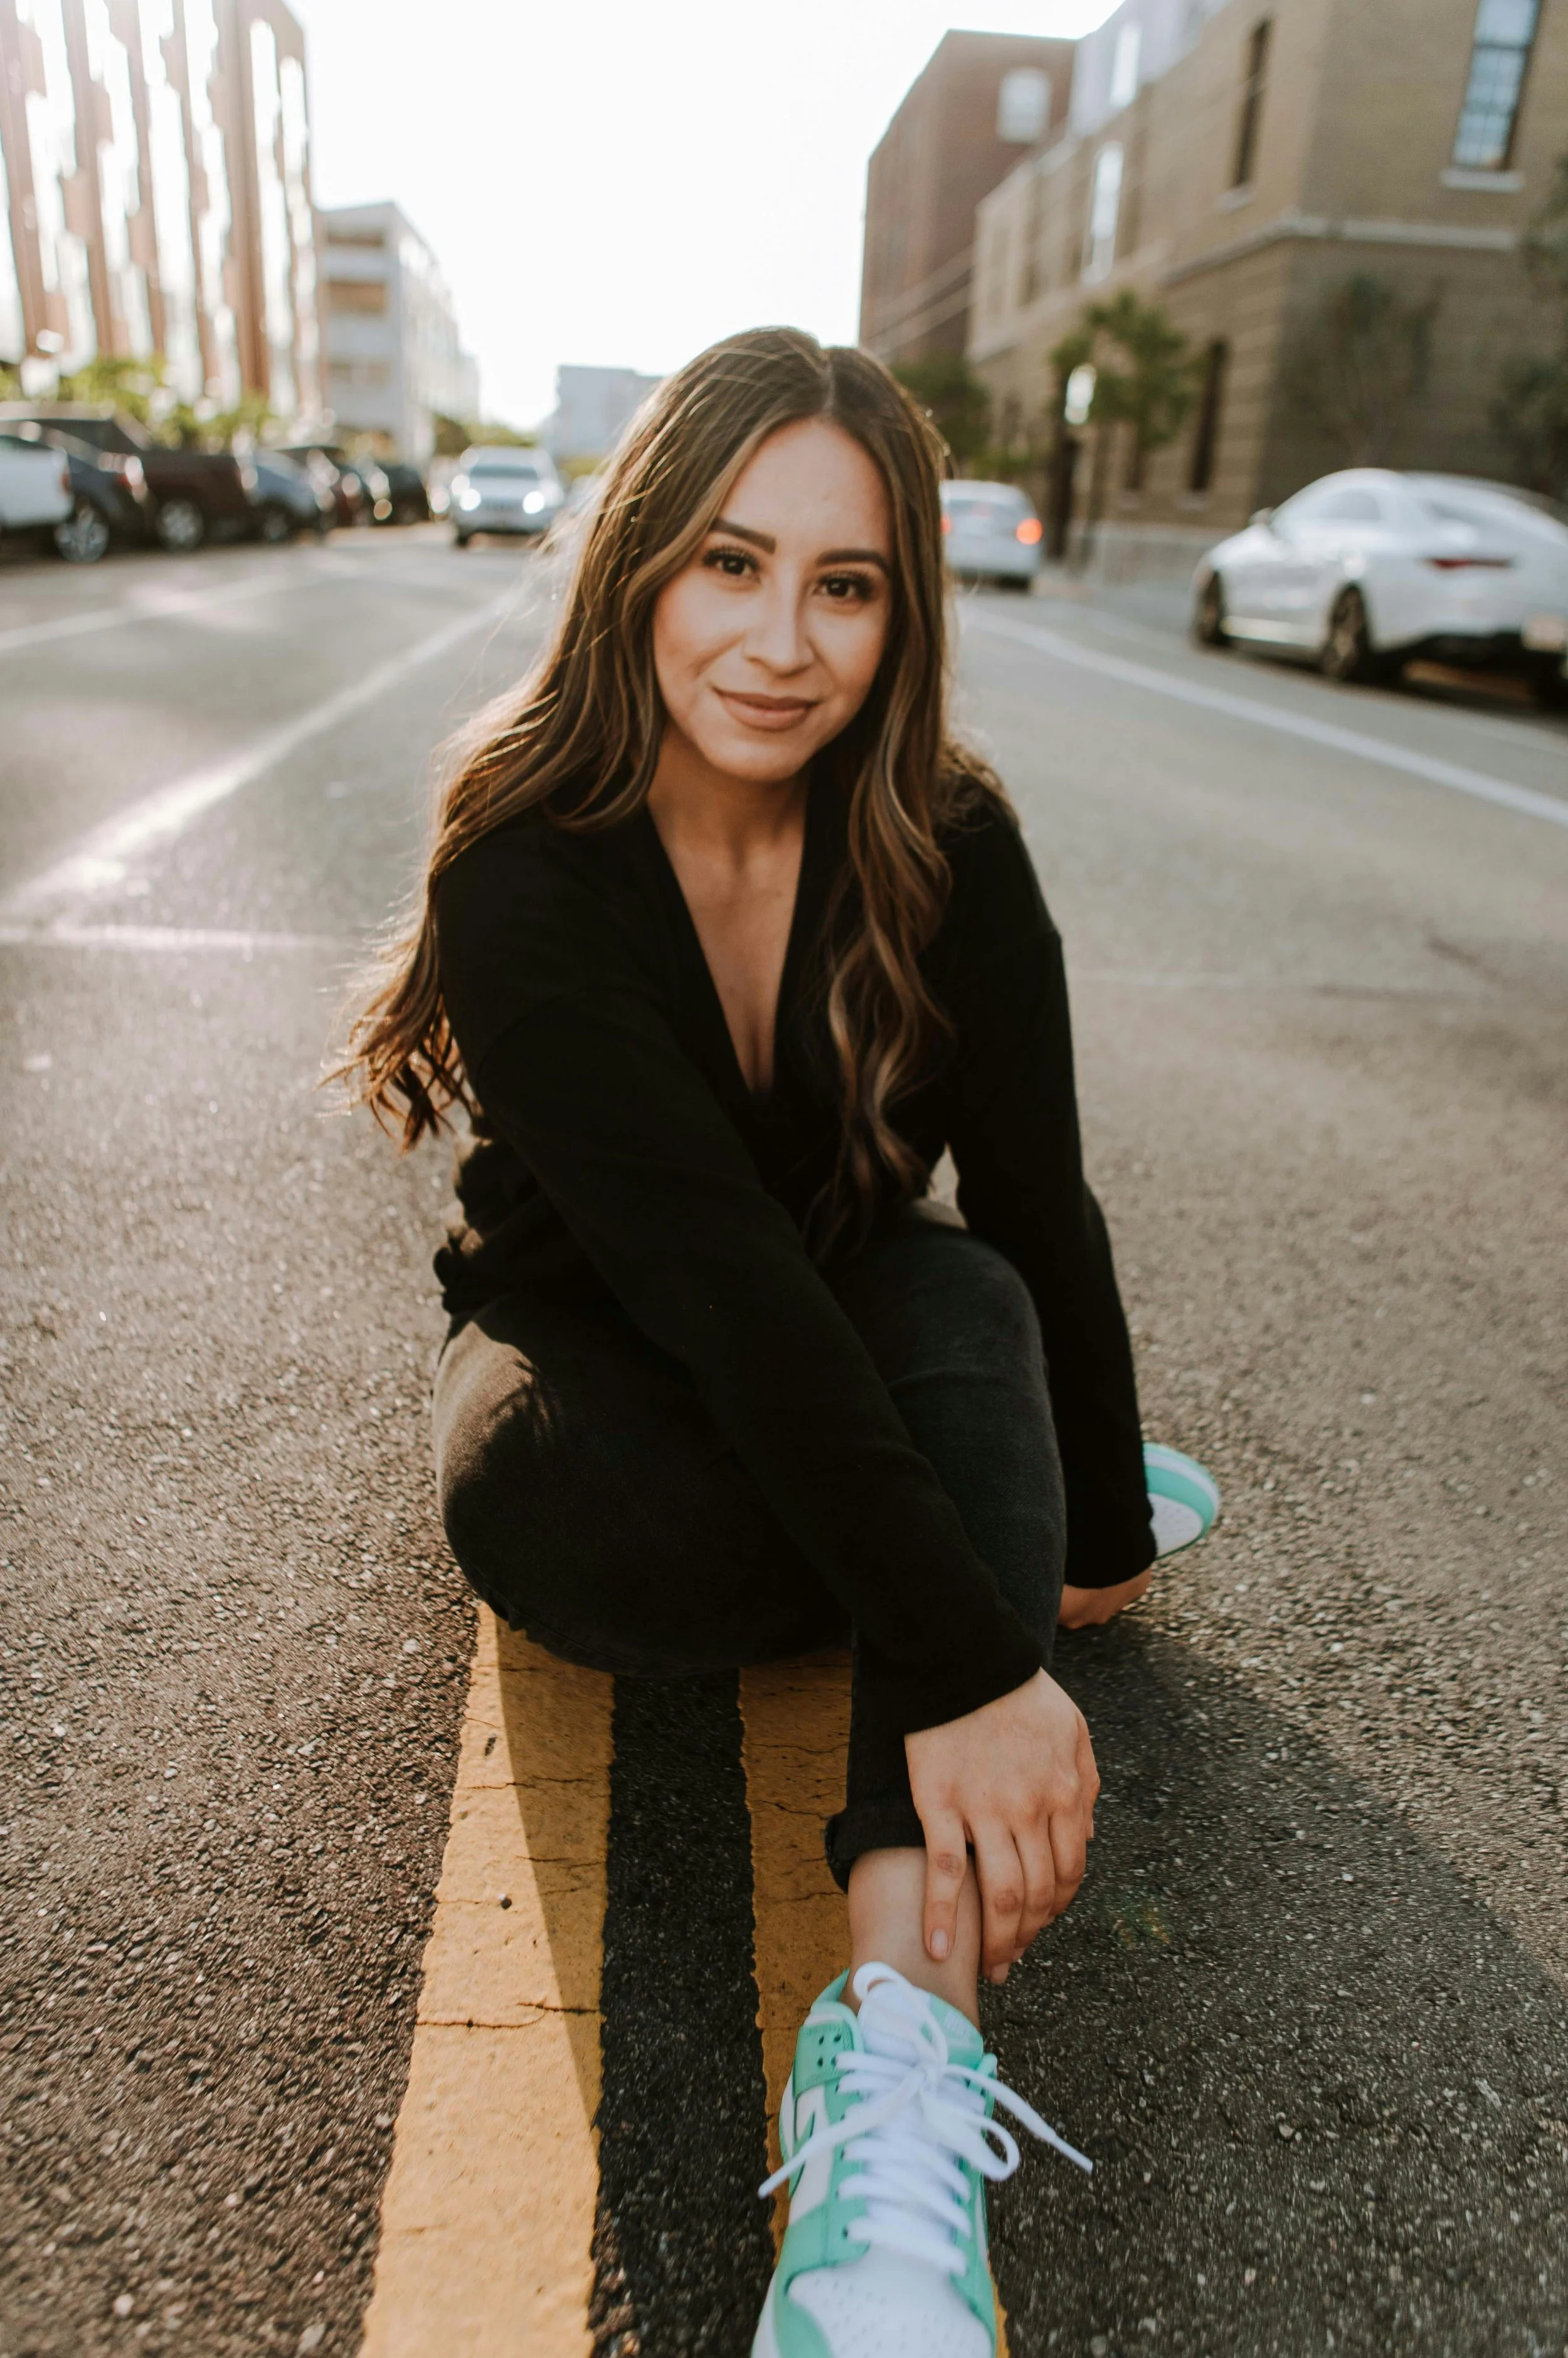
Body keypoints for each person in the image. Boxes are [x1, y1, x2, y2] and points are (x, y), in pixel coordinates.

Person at [344, 327, 1156, 2358]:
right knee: (554, 1508)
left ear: (903, 612)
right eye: (729, 560)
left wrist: (1107, 1518)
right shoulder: (521, 864)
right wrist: (976, 1636)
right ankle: (959, 1510)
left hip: (860, 1312)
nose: (782, 638)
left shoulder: (948, 843)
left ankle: (895, 2035)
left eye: (846, 581)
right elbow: (708, 1279)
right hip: (601, 1357)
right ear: (636, 570)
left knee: (958, 1293)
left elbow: (1035, 1202)